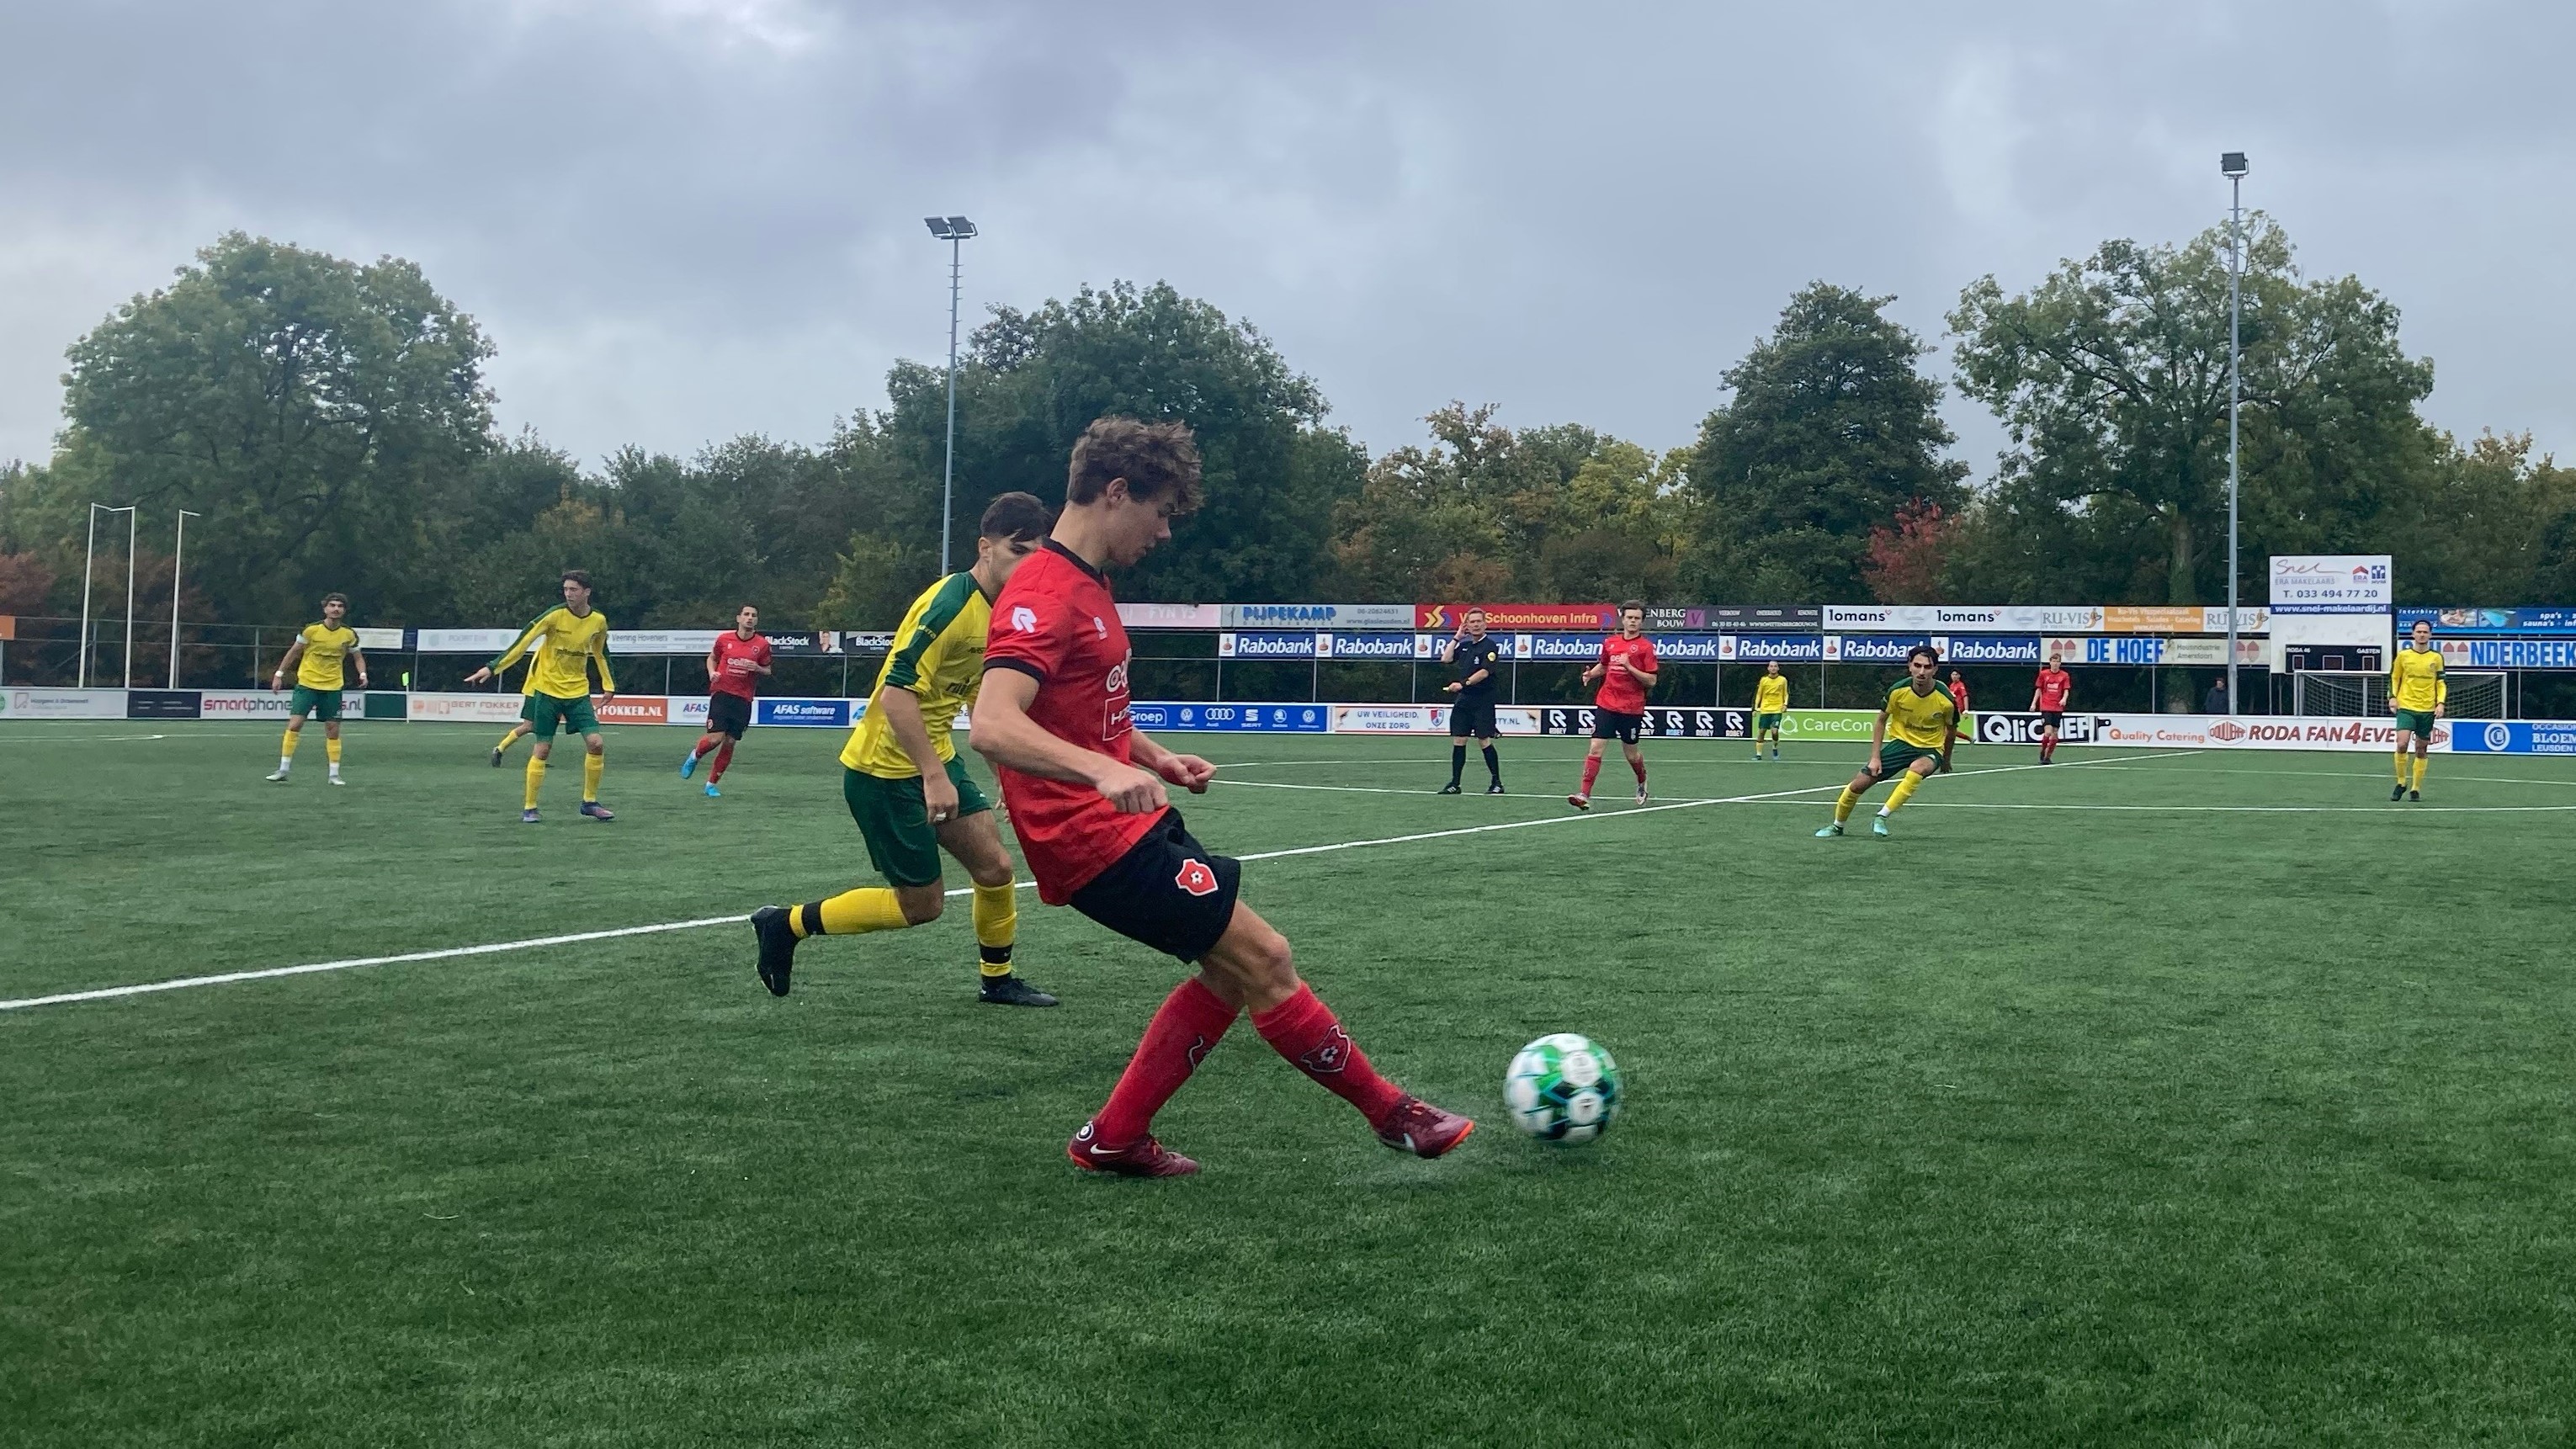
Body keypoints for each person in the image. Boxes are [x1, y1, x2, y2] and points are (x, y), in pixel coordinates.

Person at [969, 417, 1473, 1177]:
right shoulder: (1042, 591)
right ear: (1115, 493)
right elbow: (994, 723)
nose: (1165, 532)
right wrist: (1103, 773)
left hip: (1127, 822)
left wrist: (1152, 757)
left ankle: (1112, 1138)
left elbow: (1077, 711)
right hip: (1088, 836)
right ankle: (1394, 1116)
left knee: (1230, 974)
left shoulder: (1088, 584)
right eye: (1162, 510)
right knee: (1265, 958)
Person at [748, 495, 1059, 1008]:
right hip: (884, 772)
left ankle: (998, 980)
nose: (1027, 564)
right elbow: (896, 695)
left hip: (934, 757)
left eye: (1036, 554)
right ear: (984, 547)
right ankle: (785, 924)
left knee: (996, 870)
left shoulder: (1003, 611)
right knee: (923, 906)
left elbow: (984, 702)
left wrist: (1003, 776)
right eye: (1017, 550)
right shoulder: (952, 604)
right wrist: (934, 776)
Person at [465, 570, 616, 823]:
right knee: (543, 749)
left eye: (574, 590)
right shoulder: (554, 616)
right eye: (566, 589)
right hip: (547, 690)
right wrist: (492, 667)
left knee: (596, 743)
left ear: (587, 592)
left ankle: (590, 802)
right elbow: (523, 642)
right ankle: (530, 807)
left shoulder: (598, 621)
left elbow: (601, 653)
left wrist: (609, 685)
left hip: (578, 692)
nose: (568, 594)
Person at [1816, 645, 1959, 839]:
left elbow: (1951, 732)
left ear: (1935, 669)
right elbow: (1881, 721)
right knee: (1858, 785)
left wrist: (1946, 759)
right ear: (1910, 665)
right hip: (1900, 744)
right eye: (1917, 665)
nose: (1921, 672)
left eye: (1927, 667)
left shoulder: (1946, 699)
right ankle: (1837, 826)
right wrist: (1875, 758)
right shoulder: (1897, 691)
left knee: (1917, 769)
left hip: (1930, 747)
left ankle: (1881, 816)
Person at [266, 592, 369, 785]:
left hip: (332, 687)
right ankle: (283, 770)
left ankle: (334, 775)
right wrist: (279, 675)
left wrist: (362, 674)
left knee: (332, 730)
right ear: (325, 609)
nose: (336, 609)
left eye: (340, 606)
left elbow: (358, 657)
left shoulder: (348, 634)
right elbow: (294, 652)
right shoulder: (311, 630)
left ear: (344, 611)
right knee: (295, 724)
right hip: (307, 684)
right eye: (332, 605)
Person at [1566, 602, 1658, 810]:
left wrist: (1629, 666)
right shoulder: (1610, 643)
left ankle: (1642, 780)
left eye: (1637, 618)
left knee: (1631, 755)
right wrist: (1591, 674)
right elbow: (1605, 665)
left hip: (1631, 708)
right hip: (1606, 702)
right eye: (1629, 617)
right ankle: (1584, 794)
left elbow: (1651, 681)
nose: (1632, 621)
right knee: (1596, 748)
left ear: (1642, 622)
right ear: (1623, 619)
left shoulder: (1646, 647)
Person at [683, 605, 773, 797]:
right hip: (722, 693)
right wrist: (712, 673)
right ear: (738, 618)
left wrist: (756, 667)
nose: (749, 618)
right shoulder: (724, 639)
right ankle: (695, 755)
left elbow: (768, 670)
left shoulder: (762, 644)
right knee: (715, 738)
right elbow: (712, 658)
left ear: (757, 620)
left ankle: (711, 784)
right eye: (746, 615)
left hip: (744, 699)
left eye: (753, 616)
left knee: (730, 742)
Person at [1438, 607, 1504, 794]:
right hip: (1464, 701)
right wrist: (1457, 637)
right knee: (1459, 740)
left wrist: (1463, 684)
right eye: (1471, 622)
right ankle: (1454, 783)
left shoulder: (1489, 646)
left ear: (1485, 624)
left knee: (1483, 740)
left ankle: (1497, 783)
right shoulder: (1465, 646)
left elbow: (1484, 672)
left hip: (1483, 700)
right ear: (1467, 625)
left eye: (1478, 621)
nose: (1475, 625)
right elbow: (1445, 658)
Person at [2389, 618, 2445, 802]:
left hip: (2427, 709)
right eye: (2419, 631)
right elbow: (2394, 677)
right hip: (2406, 707)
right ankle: (2401, 782)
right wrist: (2392, 697)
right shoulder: (2403, 656)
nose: (2422, 634)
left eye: (2425, 632)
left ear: (2430, 635)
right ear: (2413, 634)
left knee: (2421, 749)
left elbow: (2441, 683)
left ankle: (2415, 788)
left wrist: (2440, 703)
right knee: (2402, 743)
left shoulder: (2436, 658)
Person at [2031, 654, 2074, 764]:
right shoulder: (2044, 674)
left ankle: (2047, 757)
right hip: (2046, 706)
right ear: (2050, 662)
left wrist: (2064, 699)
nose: (2055, 663)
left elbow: (2066, 690)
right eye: (2053, 661)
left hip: (2058, 708)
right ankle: (2043, 750)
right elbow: (2039, 689)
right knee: (2048, 732)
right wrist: (2034, 704)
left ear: (2060, 663)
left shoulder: (2064, 675)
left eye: (2057, 661)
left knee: (2055, 734)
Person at [1750, 660, 1789, 761]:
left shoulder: (1783, 680)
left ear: (1778, 668)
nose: (1773, 668)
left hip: (1777, 709)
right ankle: (1759, 754)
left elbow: (1786, 693)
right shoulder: (1763, 680)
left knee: (1774, 731)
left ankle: (1775, 748)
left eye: (1775, 666)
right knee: (1761, 732)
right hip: (1765, 709)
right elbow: (1759, 694)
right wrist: (1755, 708)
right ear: (1768, 668)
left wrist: (1785, 704)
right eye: (1771, 666)